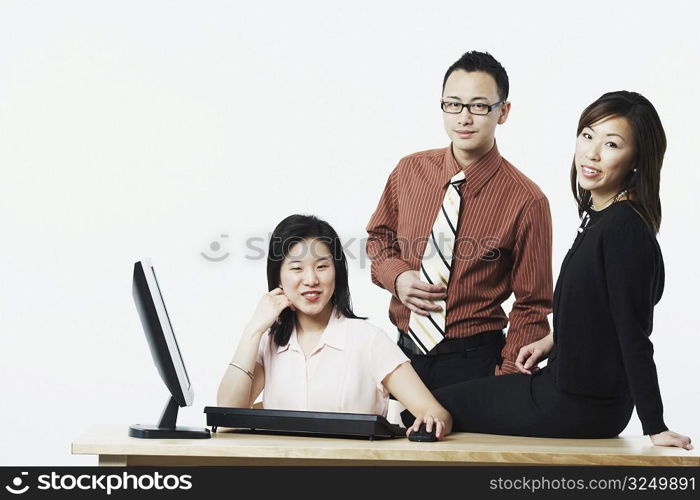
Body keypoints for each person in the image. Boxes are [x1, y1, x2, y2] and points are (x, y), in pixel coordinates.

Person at [412, 91, 693, 450]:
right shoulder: (600, 216)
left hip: (577, 403)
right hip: (564, 387)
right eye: (587, 135)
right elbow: (597, 306)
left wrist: (655, 425)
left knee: (428, 408)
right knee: (428, 403)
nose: (591, 153)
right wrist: (553, 340)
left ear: (637, 158)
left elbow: (632, 334)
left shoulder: (624, 229)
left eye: (611, 144)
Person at [366, 51, 552, 390]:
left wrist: (505, 380)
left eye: (479, 106)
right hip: (402, 358)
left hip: (475, 363)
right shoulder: (409, 171)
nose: (464, 118)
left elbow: (532, 304)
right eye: (453, 104)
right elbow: (379, 238)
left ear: (503, 112)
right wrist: (397, 277)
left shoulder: (528, 200)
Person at [217, 214, 453, 439]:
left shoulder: (368, 341)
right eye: (297, 268)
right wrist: (253, 330)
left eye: (321, 267)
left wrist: (432, 421)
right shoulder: (269, 343)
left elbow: (436, 412)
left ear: (337, 273)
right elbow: (227, 415)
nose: (311, 280)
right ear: (279, 278)